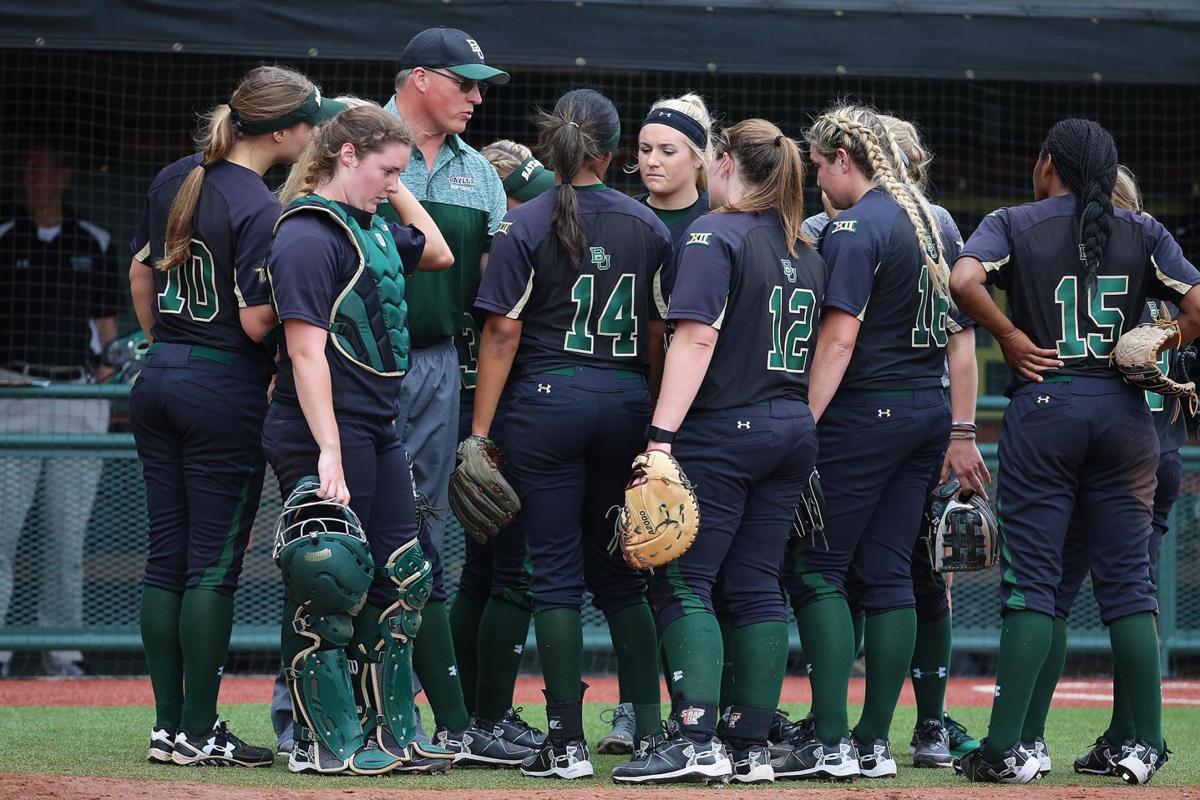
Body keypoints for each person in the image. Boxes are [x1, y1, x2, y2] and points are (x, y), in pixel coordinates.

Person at [950, 119, 1200, 786]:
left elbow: (964, 278)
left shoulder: (1015, 220)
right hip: (1125, 415)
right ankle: (1144, 746)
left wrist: (1005, 333)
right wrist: (1161, 340)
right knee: (1129, 587)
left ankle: (1009, 748)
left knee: (1035, 585)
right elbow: (1199, 304)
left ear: (1047, 163)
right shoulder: (1142, 230)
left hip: (1048, 404)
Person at [127, 65, 341, 767]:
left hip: (161, 375)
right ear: (281, 131)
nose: (312, 134)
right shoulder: (260, 203)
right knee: (211, 568)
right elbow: (255, 323)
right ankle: (198, 730)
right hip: (223, 386)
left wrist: (164, 346)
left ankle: (167, 728)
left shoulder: (174, 177)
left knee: (167, 558)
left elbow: (140, 274)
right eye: (308, 122)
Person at [610, 119, 825, 786]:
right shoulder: (807, 246)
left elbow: (695, 341)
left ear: (726, 162)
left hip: (723, 429)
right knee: (757, 585)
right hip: (789, 427)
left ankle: (697, 737)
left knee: (682, 579)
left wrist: (660, 439)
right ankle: (749, 744)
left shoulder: (712, 234)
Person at [471, 88, 670, 780]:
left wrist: (479, 431)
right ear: (614, 154)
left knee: (551, 577)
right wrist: (657, 424)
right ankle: (652, 736)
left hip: (545, 404)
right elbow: (658, 337)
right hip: (624, 402)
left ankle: (566, 744)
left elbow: (502, 331)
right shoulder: (648, 224)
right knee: (622, 578)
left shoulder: (524, 221)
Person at [782, 103, 980, 780]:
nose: (815, 180)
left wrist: (801, 423)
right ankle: (872, 741)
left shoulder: (856, 226)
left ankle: (832, 738)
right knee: (892, 574)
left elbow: (838, 339)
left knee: (817, 571)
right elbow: (961, 337)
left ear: (845, 158)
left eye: (818, 165)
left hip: (865, 414)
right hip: (925, 412)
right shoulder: (929, 223)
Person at [263, 104, 456, 775]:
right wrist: (328, 453)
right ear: (345, 155)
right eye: (386, 169)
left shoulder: (367, 225)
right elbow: (305, 353)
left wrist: (393, 181)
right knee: (332, 580)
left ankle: (390, 731)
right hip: (324, 426)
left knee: (405, 578)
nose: (394, 183)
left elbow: (438, 248)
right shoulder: (308, 236)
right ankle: (323, 740)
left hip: (378, 423)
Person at [1002, 165, 1192, 781]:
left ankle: (1026, 739)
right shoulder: (1153, 263)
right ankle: (1132, 738)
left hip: (1100, 442)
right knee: (1132, 592)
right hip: (1151, 448)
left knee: (1051, 592)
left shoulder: (1081, 256)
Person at [381, 28, 519, 762]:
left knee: (423, 541)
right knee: (329, 536)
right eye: (464, 82)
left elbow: (495, 300)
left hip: (438, 367)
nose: (476, 96)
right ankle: (304, 709)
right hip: (352, 365)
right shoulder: (355, 143)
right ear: (421, 79)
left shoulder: (482, 175)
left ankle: (437, 722)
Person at [595, 92, 715, 757]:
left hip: (700, 421)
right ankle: (634, 710)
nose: (650, 161)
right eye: (643, 149)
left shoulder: (718, 220)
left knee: (692, 570)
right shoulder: (626, 217)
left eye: (667, 150)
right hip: (630, 412)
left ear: (699, 158)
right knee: (631, 561)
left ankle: (699, 709)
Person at [0, 141, 120, 678]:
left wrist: (103, 386)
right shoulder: (4, 239)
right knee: (2, 535)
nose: (37, 179)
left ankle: (62, 658)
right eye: (30, 169)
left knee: (66, 537)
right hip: (14, 394)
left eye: (46, 167)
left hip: (75, 399)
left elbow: (109, 337)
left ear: (66, 175)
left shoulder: (92, 241)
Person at [447, 139, 552, 750]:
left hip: (471, 410)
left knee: (484, 571)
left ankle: (468, 716)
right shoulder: (488, 254)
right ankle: (481, 720)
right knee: (511, 570)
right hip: (484, 413)